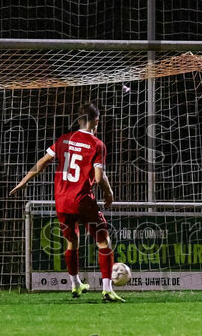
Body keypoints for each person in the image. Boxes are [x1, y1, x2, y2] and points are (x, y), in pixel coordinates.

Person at [10, 103, 122, 302]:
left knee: (72, 241)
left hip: (62, 201)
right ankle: (107, 289)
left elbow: (43, 162)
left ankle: (75, 284)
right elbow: (98, 177)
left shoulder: (63, 139)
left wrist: (23, 181)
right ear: (96, 122)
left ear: (79, 120)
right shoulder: (97, 144)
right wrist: (109, 192)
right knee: (103, 240)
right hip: (83, 200)